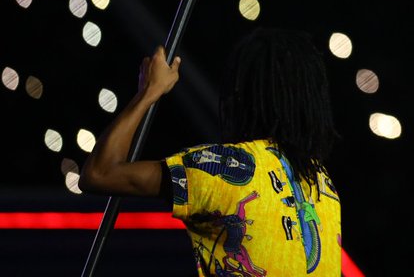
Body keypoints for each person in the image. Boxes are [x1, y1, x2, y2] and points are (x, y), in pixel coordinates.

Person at [80, 27, 342, 276]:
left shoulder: (226, 167)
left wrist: (149, 93)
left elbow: (99, 173)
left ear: (242, 94)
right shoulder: (324, 188)